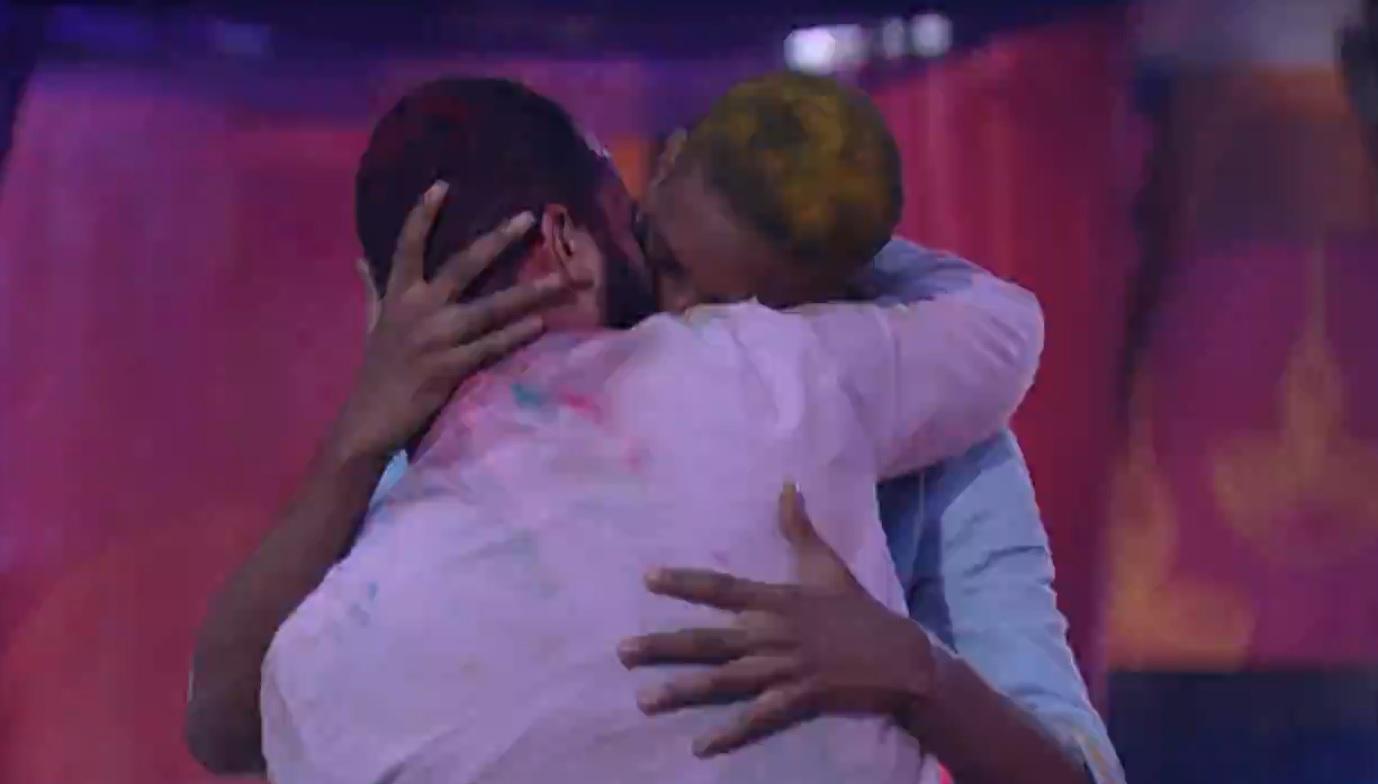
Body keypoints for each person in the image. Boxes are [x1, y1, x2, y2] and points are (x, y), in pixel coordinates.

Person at [186, 76, 1124, 784]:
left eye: (740, 297)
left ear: (835, 296)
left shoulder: (876, 414)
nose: (679, 313)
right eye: (656, 249)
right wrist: (363, 433)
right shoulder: (433, 472)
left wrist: (916, 675)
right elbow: (228, 723)